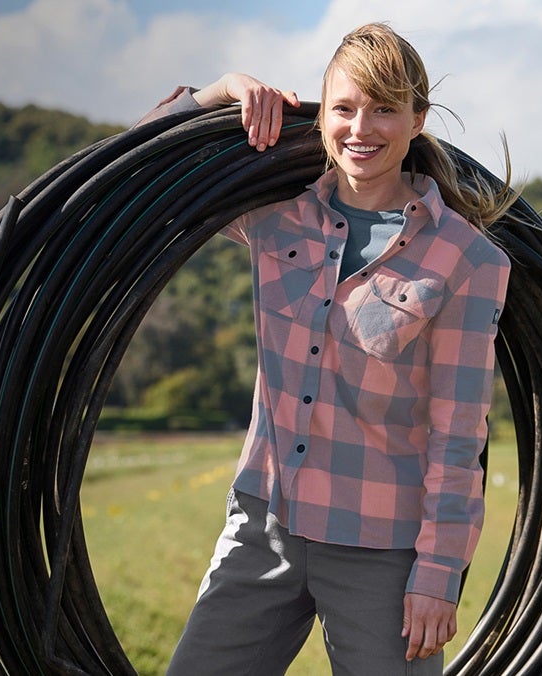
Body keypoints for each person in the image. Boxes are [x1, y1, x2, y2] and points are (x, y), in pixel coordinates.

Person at [137, 22, 514, 676]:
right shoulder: (275, 214)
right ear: (322, 112)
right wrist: (217, 94)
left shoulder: (466, 258)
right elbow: (137, 167)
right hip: (263, 528)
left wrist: (438, 573)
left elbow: (459, 435)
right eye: (344, 108)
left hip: (382, 553)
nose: (361, 127)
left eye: (385, 109)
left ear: (418, 119)